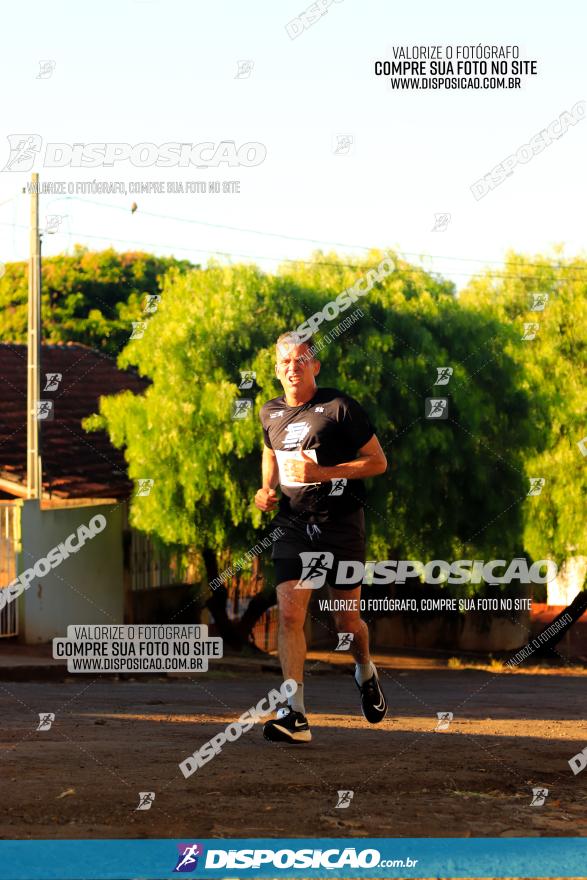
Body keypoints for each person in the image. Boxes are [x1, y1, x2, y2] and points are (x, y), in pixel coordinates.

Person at [254, 332, 388, 743]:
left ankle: (365, 668)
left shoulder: (339, 407)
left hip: (341, 523)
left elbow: (378, 463)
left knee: (345, 620)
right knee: (291, 616)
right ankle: (294, 713)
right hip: (294, 525)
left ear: (315, 365)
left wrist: (324, 474)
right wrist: (265, 490)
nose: (292, 368)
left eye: (300, 360)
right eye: (285, 362)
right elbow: (271, 454)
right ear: (276, 370)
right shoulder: (269, 413)